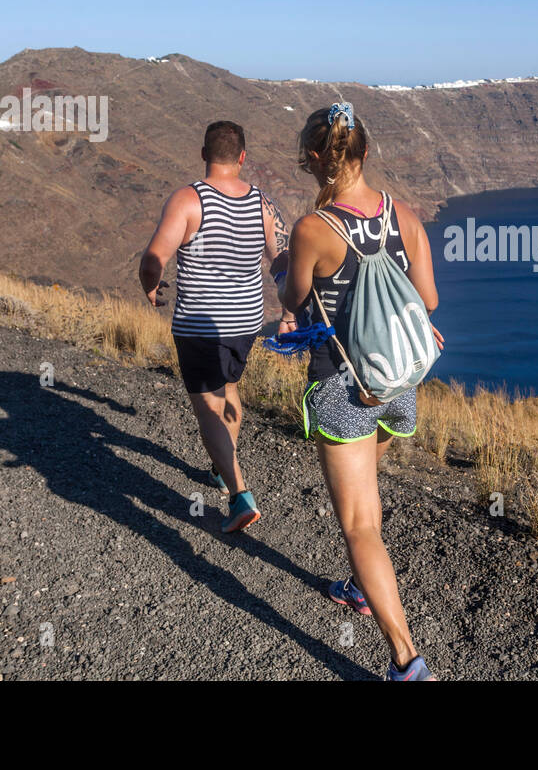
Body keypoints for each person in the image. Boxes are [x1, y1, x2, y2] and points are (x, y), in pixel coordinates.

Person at [281, 102, 444, 681]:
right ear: (365, 152)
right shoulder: (407, 217)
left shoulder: (312, 230)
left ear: (313, 159)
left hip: (348, 384)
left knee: (360, 524)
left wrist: (286, 265)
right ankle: (360, 584)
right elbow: (427, 302)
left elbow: (294, 300)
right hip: (399, 379)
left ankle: (407, 660)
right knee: (366, 499)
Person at [139, 120, 290, 532]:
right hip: (245, 323)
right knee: (229, 391)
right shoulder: (264, 204)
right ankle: (224, 467)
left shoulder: (188, 200)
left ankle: (239, 494)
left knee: (207, 406)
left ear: (203, 153)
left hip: (199, 325)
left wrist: (150, 288)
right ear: (242, 157)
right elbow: (283, 260)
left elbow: (154, 257)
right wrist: (290, 312)